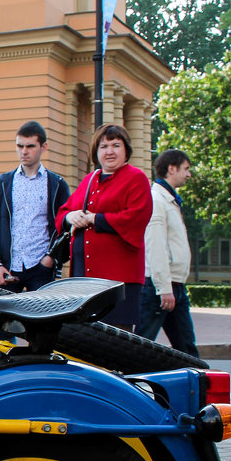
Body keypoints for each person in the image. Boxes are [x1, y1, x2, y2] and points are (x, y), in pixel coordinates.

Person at [55, 124, 153, 331]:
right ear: (96, 152)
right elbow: (63, 213)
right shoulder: (90, 179)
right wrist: (71, 216)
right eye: (103, 146)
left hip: (119, 280)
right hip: (85, 279)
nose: (109, 151)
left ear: (125, 150)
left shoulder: (136, 178)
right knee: (86, 336)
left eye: (115, 145)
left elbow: (136, 216)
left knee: (116, 340)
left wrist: (95, 219)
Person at [0, 121, 72, 292]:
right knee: (1, 317)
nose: (24, 151)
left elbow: (66, 228)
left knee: (42, 318)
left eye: (30, 146)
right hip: (8, 268)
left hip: (42, 268)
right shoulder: (3, 182)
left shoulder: (57, 184)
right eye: (19, 146)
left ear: (43, 147)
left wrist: (51, 259)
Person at [135, 149, 199, 356]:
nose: (189, 174)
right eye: (186, 169)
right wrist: (164, 287)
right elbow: (155, 245)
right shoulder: (157, 200)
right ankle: (126, 385)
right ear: (171, 169)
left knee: (186, 348)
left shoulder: (169, 199)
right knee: (142, 347)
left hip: (174, 285)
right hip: (161, 287)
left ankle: (197, 387)